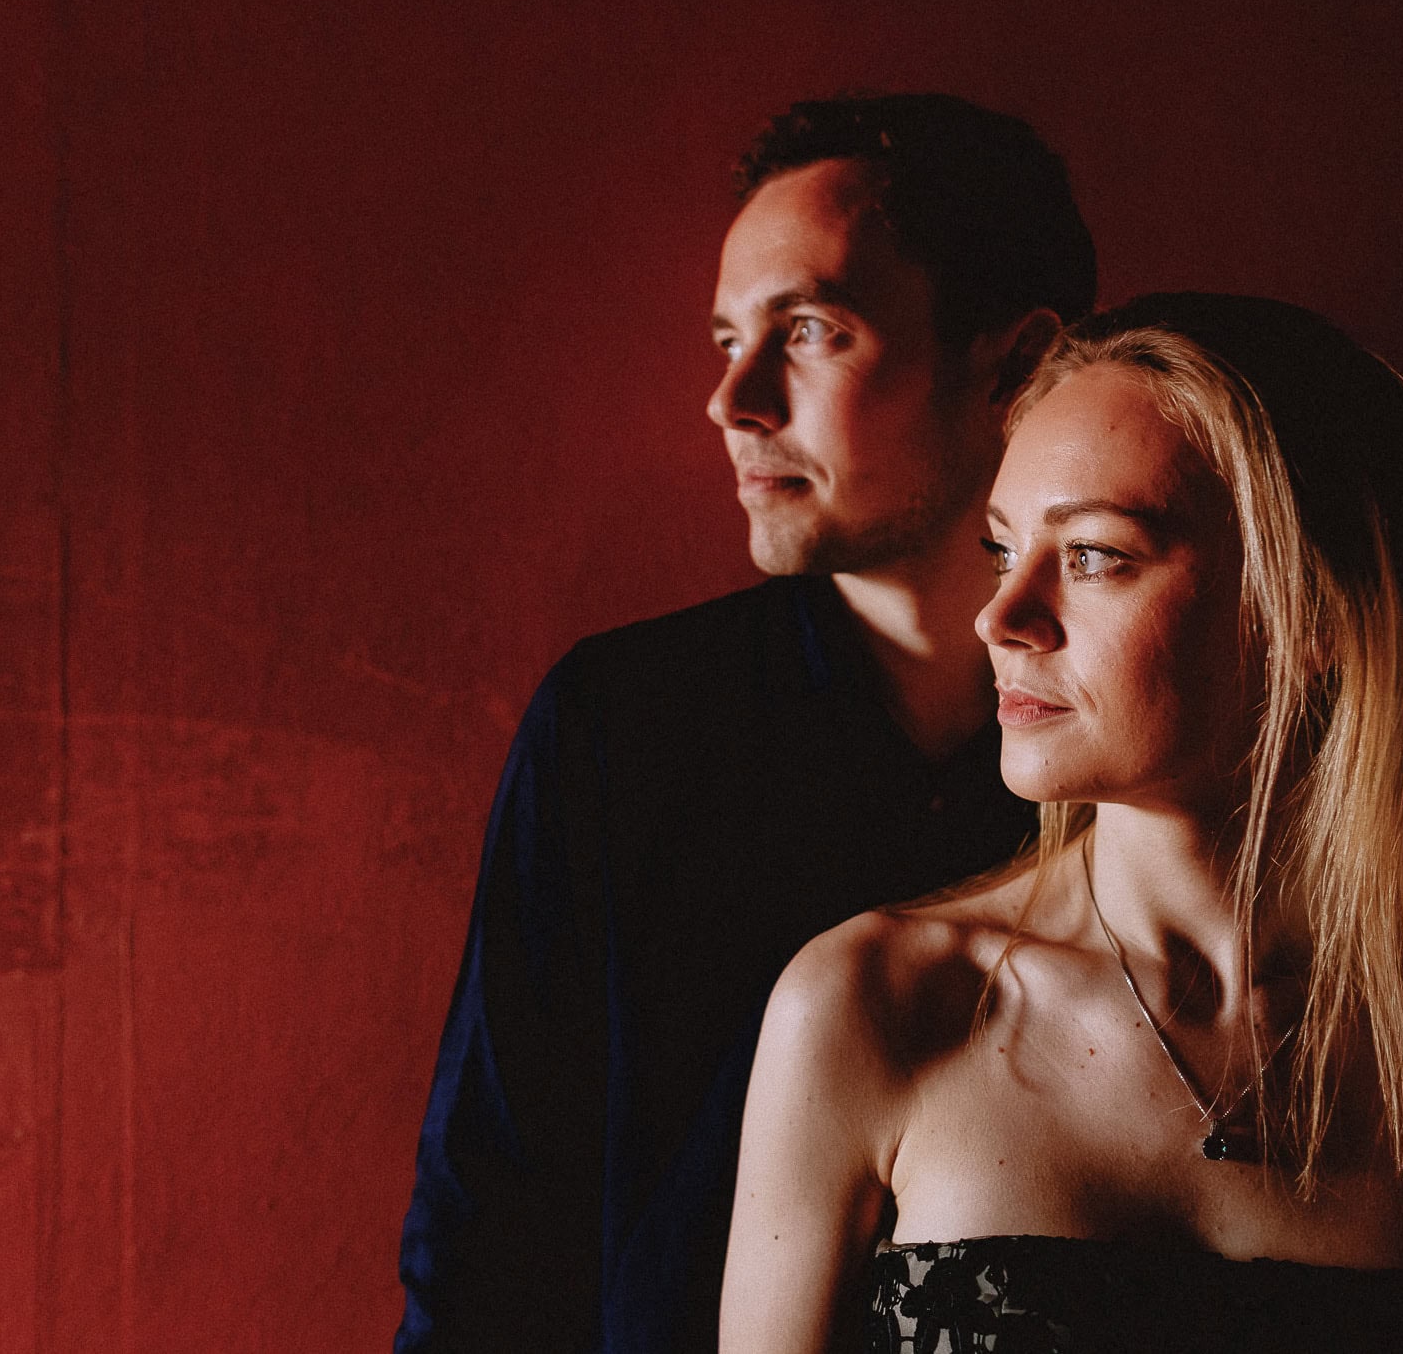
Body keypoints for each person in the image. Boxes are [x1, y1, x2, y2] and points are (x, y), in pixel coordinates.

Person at [722, 294, 1403, 1353]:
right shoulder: (875, 1007)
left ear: (1315, 616)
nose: (999, 617)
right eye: (999, 549)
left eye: (1093, 556)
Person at [395, 95, 1097, 1353]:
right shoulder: (621, 729)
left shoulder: (1147, 745)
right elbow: (486, 1233)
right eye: (725, 338)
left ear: (1012, 360)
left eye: (810, 331)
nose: (731, 398)